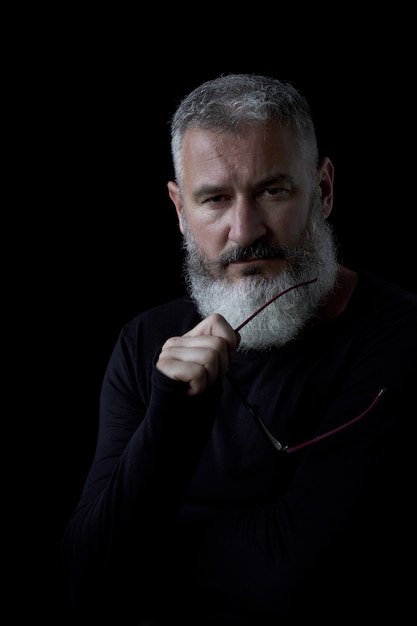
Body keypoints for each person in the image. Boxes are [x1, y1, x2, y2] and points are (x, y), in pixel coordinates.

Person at [61, 73, 417, 625]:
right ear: (181, 210)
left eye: (272, 190)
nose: (244, 229)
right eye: (215, 199)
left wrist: (147, 538)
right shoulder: (145, 343)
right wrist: (171, 416)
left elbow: (292, 577)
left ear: (322, 191)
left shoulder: (397, 333)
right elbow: (84, 571)